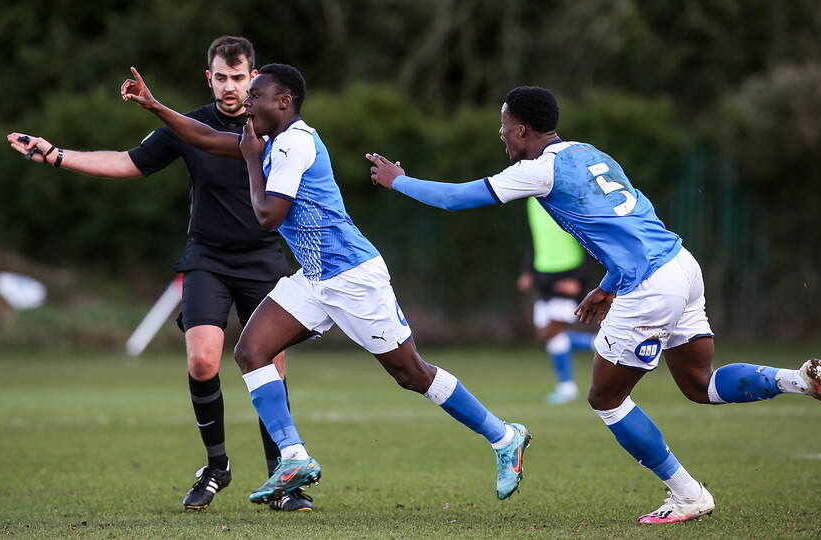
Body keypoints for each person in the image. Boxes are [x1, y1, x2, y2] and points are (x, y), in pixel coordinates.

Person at [365, 85, 821, 524]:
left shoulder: (539, 170)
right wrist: (607, 285)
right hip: (680, 264)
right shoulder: (591, 153)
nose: (501, 136)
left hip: (649, 285)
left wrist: (397, 181)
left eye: (503, 128)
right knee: (701, 384)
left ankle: (688, 495)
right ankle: (800, 380)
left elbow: (455, 199)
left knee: (606, 399)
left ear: (520, 130)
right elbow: (628, 222)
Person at [119, 63, 532, 504]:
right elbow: (205, 138)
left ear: (284, 102)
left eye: (256, 96)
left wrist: (252, 161)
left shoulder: (293, 144)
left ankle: (504, 436)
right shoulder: (271, 142)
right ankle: (293, 457)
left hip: (353, 277)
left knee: (411, 373)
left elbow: (267, 217)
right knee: (251, 351)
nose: (247, 103)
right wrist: (155, 106)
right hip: (314, 278)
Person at [6, 36, 312, 512]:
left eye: (238, 78)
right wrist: (57, 154)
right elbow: (128, 162)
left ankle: (284, 479)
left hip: (263, 261)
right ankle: (216, 468)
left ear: (254, 78)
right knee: (202, 361)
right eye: (221, 77)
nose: (230, 87)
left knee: (270, 367)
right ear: (208, 77)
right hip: (207, 258)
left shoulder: (278, 128)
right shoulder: (187, 125)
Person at [517, 197, 596, 405]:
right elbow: (536, 238)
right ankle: (600, 346)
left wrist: (579, 280)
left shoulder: (567, 198)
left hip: (568, 277)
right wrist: (528, 270)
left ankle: (568, 387)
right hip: (543, 280)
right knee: (551, 338)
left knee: (552, 332)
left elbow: (589, 239)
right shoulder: (532, 201)